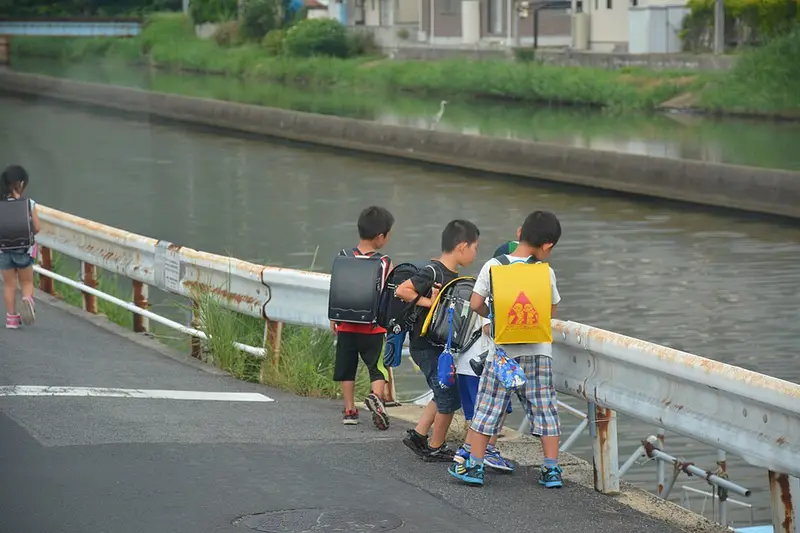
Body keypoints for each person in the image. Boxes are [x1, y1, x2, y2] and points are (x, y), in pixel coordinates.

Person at [449, 210, 562, 487]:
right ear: (547, 245)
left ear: (519, 233)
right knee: (544, 407)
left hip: (503, 354)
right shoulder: (545, 271)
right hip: (539, 352)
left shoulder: (493, 266)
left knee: (488, 407)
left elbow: (475, 303)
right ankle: (551, 470)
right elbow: (550, 310)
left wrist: (497, 315)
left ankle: (475, 467)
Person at [397, 220, 480, 461]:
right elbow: (402, 290)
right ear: (462, 247)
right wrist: (430, 303)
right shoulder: (433, 271)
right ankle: (435, 447)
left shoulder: (452, 275)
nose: (475, 253)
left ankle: (418, 435)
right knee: (448, 396)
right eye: (475, 247)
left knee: (441, 389)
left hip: (437, 347)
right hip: (424, 346)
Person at [331, 206, 395, 428]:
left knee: (347, 368)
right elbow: (387, 293)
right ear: (380, 237)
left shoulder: (343, 256)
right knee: (378, 367)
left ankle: (349, 409)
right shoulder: (384, 262)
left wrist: (334, 318)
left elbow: (337, 288)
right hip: (373, 328)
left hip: (346, 325)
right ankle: (376, 396)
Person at [453, 318, 515, 472]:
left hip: (466, 360)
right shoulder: (490, 294)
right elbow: (488, 327)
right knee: (493, 411)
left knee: (479, 413)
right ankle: (486, 451)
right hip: (482, 363)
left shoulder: (474, 295)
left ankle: (465, 453)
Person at [0, 165, 40, 329]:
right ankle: (27, 300)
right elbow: (37, 227)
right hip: (23, 249)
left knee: (9, 284)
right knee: (27, 282)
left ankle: (11, 319)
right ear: (21, 184)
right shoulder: (28, 204)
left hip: (2, 250)